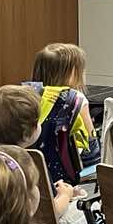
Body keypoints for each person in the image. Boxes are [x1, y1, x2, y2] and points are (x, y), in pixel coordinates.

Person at [0, 83, 87, 224]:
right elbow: (47, 214)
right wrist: (65, 195)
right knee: (88, 208)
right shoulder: (25, 164)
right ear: (26, 134)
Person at [27, 42, 101, 186]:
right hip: (67, 169)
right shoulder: (76, 99)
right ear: (71, 73)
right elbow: (91, 141)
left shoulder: (29, 94)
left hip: (33, 162)